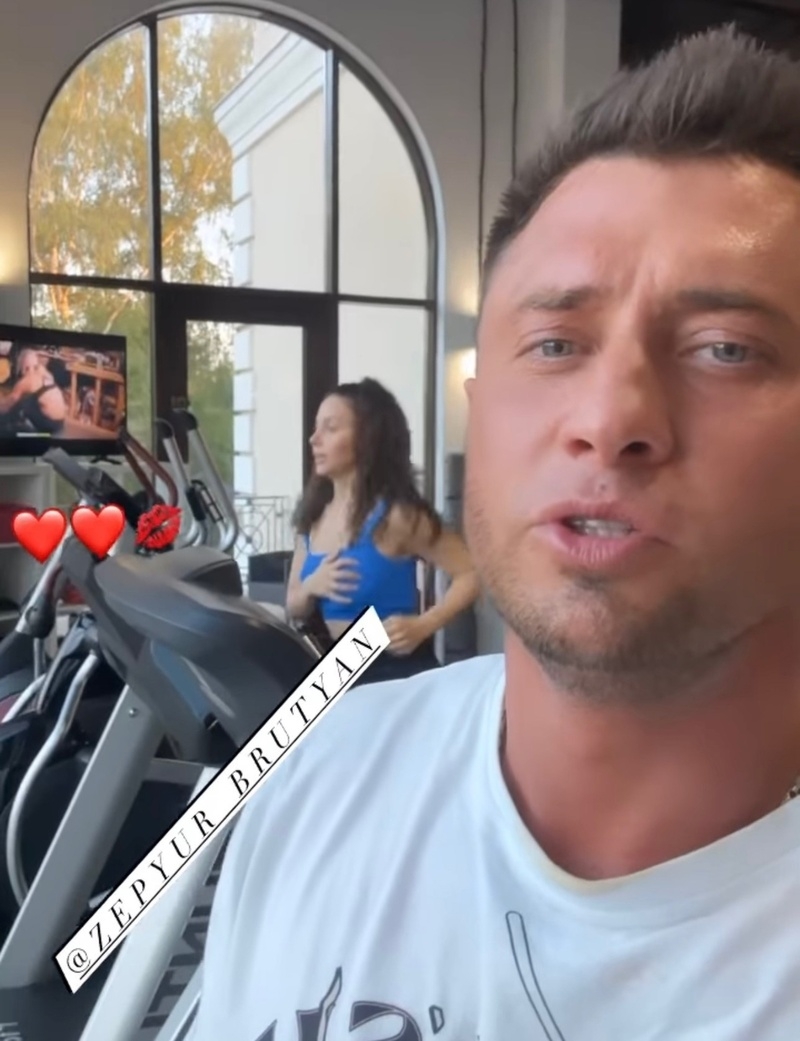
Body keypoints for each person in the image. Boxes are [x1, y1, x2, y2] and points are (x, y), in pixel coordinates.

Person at [191, 27, 800, 1039]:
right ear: (481, 410)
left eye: (725, 350)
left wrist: (417, 627)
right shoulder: (317, 779)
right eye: (554, 343)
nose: (608, 416)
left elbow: (455, 572)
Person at [285, 377, 479, 682]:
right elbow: (293, 604)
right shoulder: (312, 517)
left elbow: (471, 572)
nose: (314, 439)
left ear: (367, 438)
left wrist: (425, 624)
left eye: (331, 428)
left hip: (397, 674)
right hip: (338, 672)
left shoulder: (396, 516)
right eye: (316, 427)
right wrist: (311, 586)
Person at [0, 347, 67, 435]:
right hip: (60, 424)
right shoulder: (46, 373)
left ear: (24, 368)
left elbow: (8, 405)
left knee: (14, 407)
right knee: (25, 400)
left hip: (48, 427)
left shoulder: (27, 381)